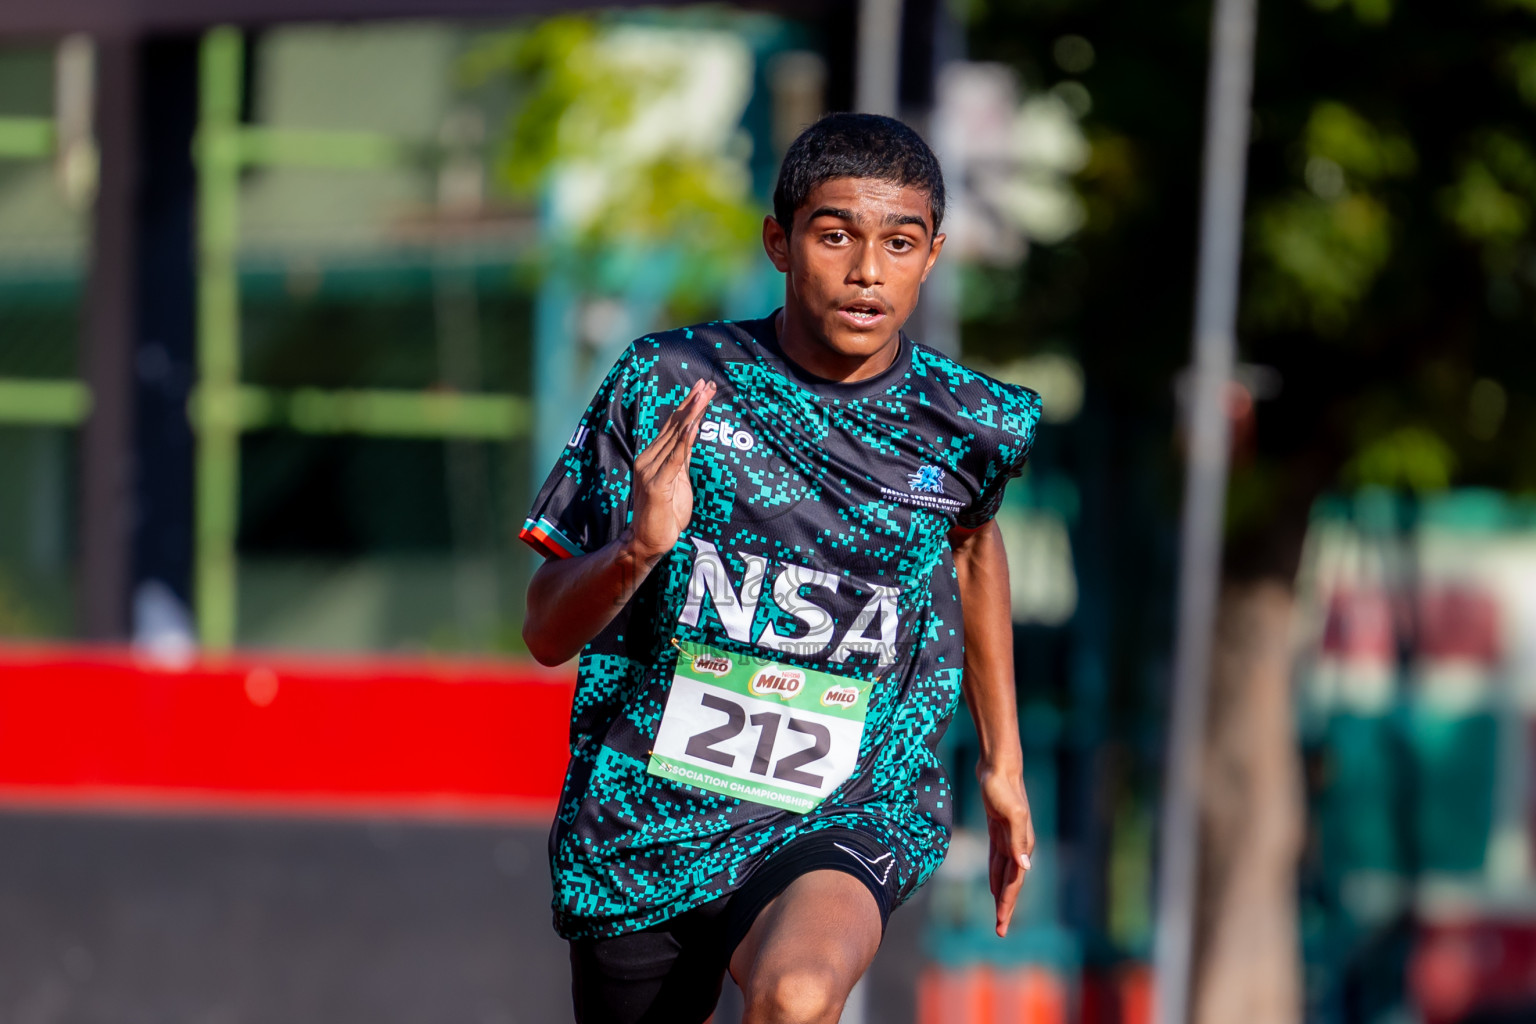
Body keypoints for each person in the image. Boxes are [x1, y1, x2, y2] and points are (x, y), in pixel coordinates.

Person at [521, 112, 1040, 1024]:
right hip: (649, 812)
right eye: (835, 235)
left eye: (901, 243)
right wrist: (641, 545)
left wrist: (1004, 764)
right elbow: (545, 632)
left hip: (851, 798)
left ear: (934, 255)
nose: (867, 270)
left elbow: (972, 544)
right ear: (780, 241)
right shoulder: (669, 382)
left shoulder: (970, 423)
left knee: (798, 996)